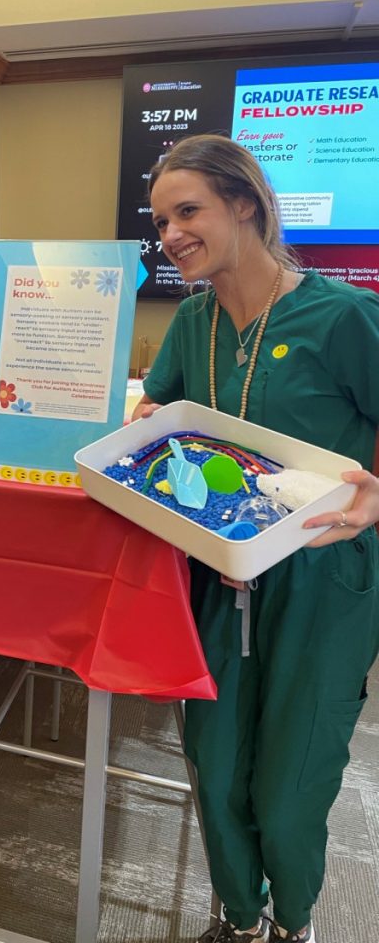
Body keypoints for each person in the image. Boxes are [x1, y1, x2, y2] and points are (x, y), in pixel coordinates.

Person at [133, 134, 379, 943]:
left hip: (322, 584)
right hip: (214, 578)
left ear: (245, 203)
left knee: (290, 781)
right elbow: (161, 417)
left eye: (188, 210)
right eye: (163, 218)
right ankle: (239, 921)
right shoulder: (194, 320)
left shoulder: (341, 316)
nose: (171, 233)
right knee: (216, 764)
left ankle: (295, 922)